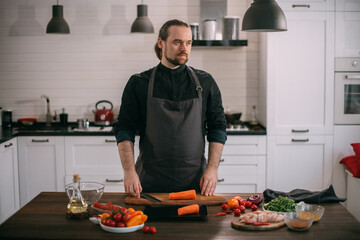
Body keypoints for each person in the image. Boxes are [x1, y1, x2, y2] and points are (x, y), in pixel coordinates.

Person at [114, 19, 227, 198]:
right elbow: (124, 129)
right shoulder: (139, 83)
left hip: (196, 185)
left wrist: (212, 169)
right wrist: (129, 172)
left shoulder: (205, 82)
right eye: (177, 42)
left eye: (188, 43)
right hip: (148, 185)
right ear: (161, 43)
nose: (184, 48)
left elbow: (218, 128)